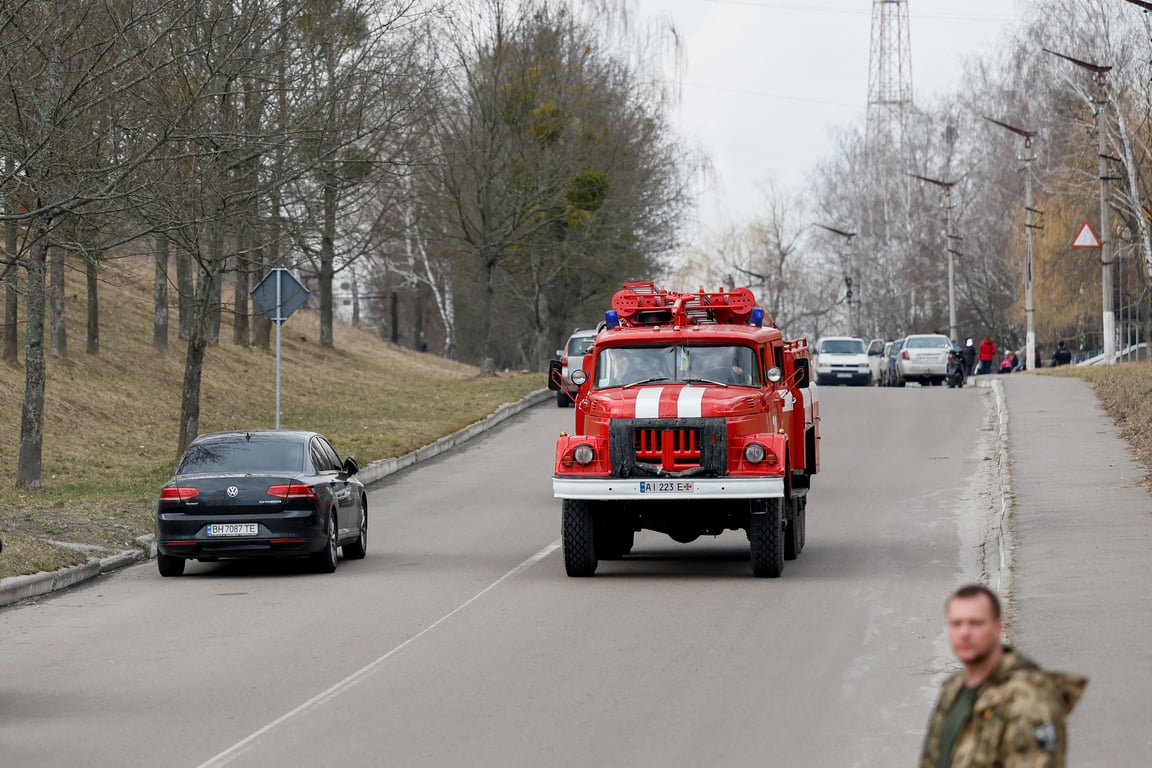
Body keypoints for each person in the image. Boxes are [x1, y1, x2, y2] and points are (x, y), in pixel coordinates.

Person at [919, 584, 1087, 768]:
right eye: (956, 624)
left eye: (976, 623)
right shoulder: (954, 688)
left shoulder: (1029, 697)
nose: (964, 633)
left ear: (998, 628)